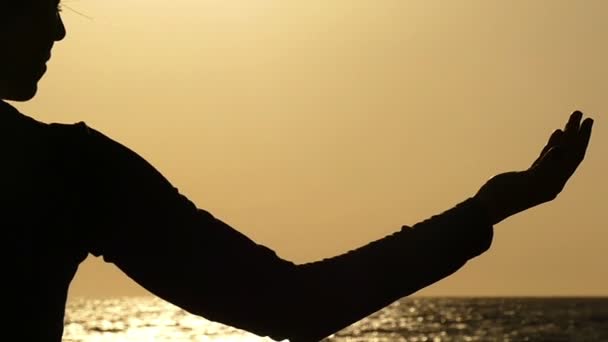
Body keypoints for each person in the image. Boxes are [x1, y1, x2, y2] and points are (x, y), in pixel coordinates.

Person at [0, 1, 594, 342]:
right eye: (42, 4)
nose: (59, 28)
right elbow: (291, 303)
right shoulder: (65, 170)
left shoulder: (69, 169)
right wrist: (487, 210)